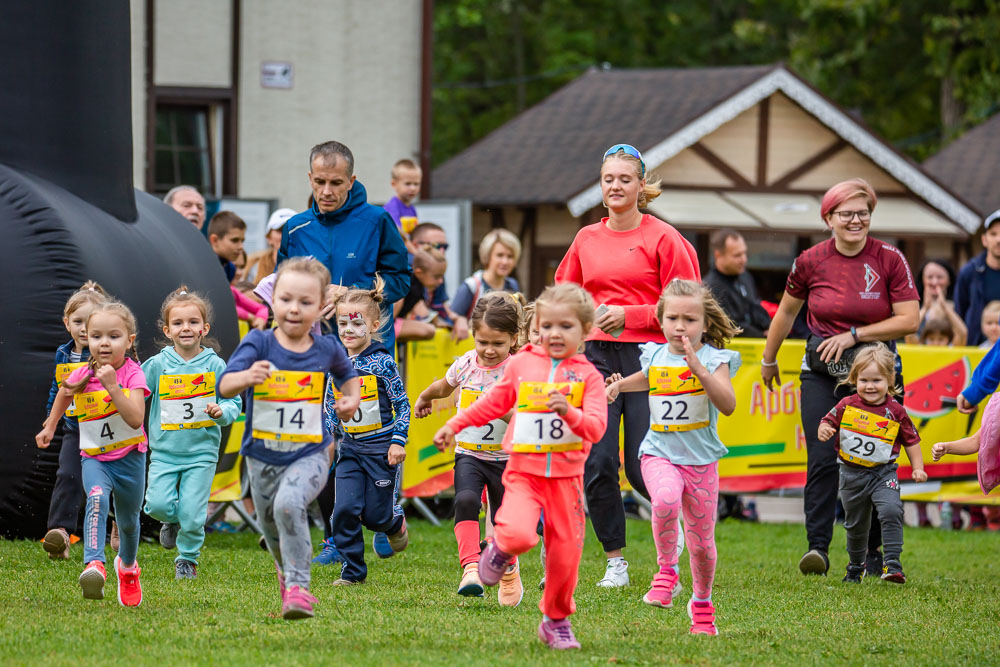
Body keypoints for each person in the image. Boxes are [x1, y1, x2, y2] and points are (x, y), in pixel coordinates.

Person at [554, 143, 700, 588]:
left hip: (649, 359)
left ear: (641, 186)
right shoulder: (585, 239)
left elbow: (688, 302)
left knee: (642, 464)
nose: (615, 186)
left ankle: (672, 544)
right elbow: (565, 295)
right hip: (595, 357)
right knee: (597, 464)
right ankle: (615, 561)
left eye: (624, 179)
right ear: (601, 188)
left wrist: (632, 315)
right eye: (608, 179)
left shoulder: (664, 238)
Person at [434, 283, 608, 650]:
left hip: (566, 481)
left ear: (586, 330)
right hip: (524, 474)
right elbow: (491, 403)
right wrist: (454, 424)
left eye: (566, 327)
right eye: (547, 326)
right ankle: (497, 551)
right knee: (516, 534)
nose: (555, 335)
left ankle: (556, 620)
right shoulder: (524, 364)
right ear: (535, 328)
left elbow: (595, 428)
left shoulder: (588, 376)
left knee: (564, 557)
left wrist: (570, 413)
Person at [760, 178, 919, 577]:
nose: (855, 220)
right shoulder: (810, 260)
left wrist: (853, 335)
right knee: (822, 459)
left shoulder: (889, 258)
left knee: (875, 463)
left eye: (862, 212)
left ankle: (874, 554)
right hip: (821, 375)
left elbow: (909, 318)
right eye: (846, 213)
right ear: (828, 217)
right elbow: (785, 312)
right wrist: (768, 358)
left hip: (876, 378)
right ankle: (818, 549)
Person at [218, 257, 360, 620]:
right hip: (262, 456)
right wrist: (247, 376)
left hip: (310, 452)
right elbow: (224, 384)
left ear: (320, 306)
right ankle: (287, 573)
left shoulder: (326, 347)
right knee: (276, 531)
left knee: (289, 505)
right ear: (273, 301)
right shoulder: (259, 342)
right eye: (285, 300)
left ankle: (299, 587)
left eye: (305, 302)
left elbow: (348, 377)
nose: (294, 309)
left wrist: (351, 400)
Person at [605, 279, 740, 634]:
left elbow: (727, 405)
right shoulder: (655, 353)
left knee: (702, 546)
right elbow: (648, 378)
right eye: (672, 318)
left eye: (690, 319)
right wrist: (619, 385)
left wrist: (701, 372)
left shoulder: (716, 359)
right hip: (658, 453)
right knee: (663, 501)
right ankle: (666, 571)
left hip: (700, 462)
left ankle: (701, 602)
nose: (680, 326)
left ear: (706, 324)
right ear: (661, 320)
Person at [36, 301, 150, 606]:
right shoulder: (83, 372)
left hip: (130, 458)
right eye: (96, 336)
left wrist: (113, 388)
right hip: (95, 457)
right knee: (96, 498)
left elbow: (136, 419)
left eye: (113, 336)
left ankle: (127, 569)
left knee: (127, 521)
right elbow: (64, 391)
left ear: (129, 340)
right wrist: (51, 426)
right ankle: (94, 564)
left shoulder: (133, 374)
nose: (104, 343)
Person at [415, 293, 524, 605]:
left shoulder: (518, 369)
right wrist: (425, 397)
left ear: (513, 339)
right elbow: (444, 386)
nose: (489, 350)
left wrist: (497, 409)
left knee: (503, 521)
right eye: (482, 342)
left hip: (506, 458)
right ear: (474, 336)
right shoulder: (466, 364)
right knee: (464, 501)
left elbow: (527, 414)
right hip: (470, 454)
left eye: (498, 344)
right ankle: (471, 569)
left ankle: (508, 569)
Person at [141, 288, 242, 580]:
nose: (186, 327)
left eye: (193, 321)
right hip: (164, 451)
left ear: (204, 328)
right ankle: (171, 520)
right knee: (157, 504)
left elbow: (232, 401)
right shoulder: (158, 365)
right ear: (167, 330)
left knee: (194, 513)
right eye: (178, 323)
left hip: (202, 453)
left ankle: (187, 559)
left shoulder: (215, 365)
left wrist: (222, 412)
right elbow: (136, 390)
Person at [278, 141, 409, 352]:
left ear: (350, 181)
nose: (326, 191)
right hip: (308, 352)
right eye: (320, 182)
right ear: (310, 178)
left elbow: (400, 281)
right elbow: (281, 287)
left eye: (336, 183)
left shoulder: (378, 220)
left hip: (367, 354)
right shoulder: (295, 227)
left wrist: (351, 292)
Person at [325, 276, 410, 585]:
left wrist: (397, 441)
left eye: (356, 323)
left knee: (375, 516)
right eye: (342, 323)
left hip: (381, 449)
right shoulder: (335, 364)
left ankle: (394, 522)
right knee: (344, 510)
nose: (348, 330)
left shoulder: (382, 363)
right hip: (350, 449)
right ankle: (353, 571)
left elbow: (403, 405)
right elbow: (328, 406)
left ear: (373, 327)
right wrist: (326, 439)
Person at [818, 344, 926, 583]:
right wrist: (825, 429)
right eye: (863, 380)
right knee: (856, 526)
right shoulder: (847, 405)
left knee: (891, 511)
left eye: (877, 380)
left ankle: (893, 565)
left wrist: (918, 467)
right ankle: (856, 566)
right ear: (854, 379)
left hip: (883, 473)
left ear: (890, 380)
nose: (870, 386)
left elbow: (912, 440)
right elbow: (827, 422)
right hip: (851, 475)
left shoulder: (895, 410)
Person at [40, 282, 108, 560]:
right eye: (77, 322)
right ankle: (60, 533)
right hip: (73, 428)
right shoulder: (63, 353)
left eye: (89, 322)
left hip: (105, 431)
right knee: (67, 475)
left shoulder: (107, 353)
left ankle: (114, 529)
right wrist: (50, 420)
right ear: (67, 323)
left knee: (104, 487)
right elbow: (59, 389)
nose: (83, 329)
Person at [704, 230, 771, 338]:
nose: (743, 259)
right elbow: (728, 325)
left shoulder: (745, 277)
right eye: (737, 255)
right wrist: (761, 335)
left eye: (745, 253)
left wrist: (769, 327)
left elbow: (755, 307)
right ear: (718, 255)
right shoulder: (710, 288)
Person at [451, 229, 521, 327]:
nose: (505, 261)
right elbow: (452, 319)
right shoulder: (471, 286)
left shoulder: (513, 285)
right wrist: (459, 319)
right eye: (499, 255)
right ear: (487, 256)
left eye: (510, 256)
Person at [410, 222, 468, 340]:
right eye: (435, 246)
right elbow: (423, 315)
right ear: (415, 246)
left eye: (445, 247)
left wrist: (458, 319)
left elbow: (442, 310)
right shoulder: (405, 273)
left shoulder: (437, 272)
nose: (441, 252)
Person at [955, 209, 1000, 346]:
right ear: (984, 239)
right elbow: (959, 313)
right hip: (975, 352)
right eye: (993, 234)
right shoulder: (969, 272)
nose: (999, 239)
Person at [905, 259, 967, 346]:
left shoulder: (959, 306)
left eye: (940, 277)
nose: (934, 282)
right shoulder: (913, 307)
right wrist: (926, 307)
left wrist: (944, 306)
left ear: (949, 280)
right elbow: (909, 334)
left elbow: (962, 333)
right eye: (930, 277)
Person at [245, 208, 296, 285]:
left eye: (291, 230)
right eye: (281, 231)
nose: (286, 235)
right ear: (268, 238)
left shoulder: (309, 267)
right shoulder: (255, 269)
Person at [384, 158, 422, 253]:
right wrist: (417, 253)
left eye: (416, 184)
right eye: (408, 184)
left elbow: (413, 235)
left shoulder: (412, 209)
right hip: (395, 252)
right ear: (394, 184)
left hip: (407, 251)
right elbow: (399, 236)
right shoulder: (392, 207)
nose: (413, 188)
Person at [207, 211, 247, 284]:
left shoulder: (230, 268)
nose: (241, 247)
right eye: (235, 240)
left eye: (242, 241)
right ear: (215, 240)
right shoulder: (202, 266)